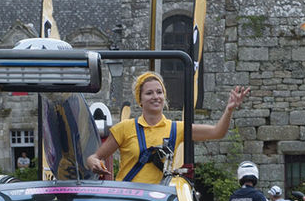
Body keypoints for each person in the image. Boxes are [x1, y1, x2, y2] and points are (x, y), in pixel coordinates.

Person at [86, 71, 250, 183]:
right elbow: (94, 157)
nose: (155, 97)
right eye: (149, 93)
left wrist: (229, 109)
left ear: (164, 97)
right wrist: (94, 163)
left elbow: (217, 132)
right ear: (140, 100)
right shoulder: (125, 128)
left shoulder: (176, 128)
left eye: (159, 92)